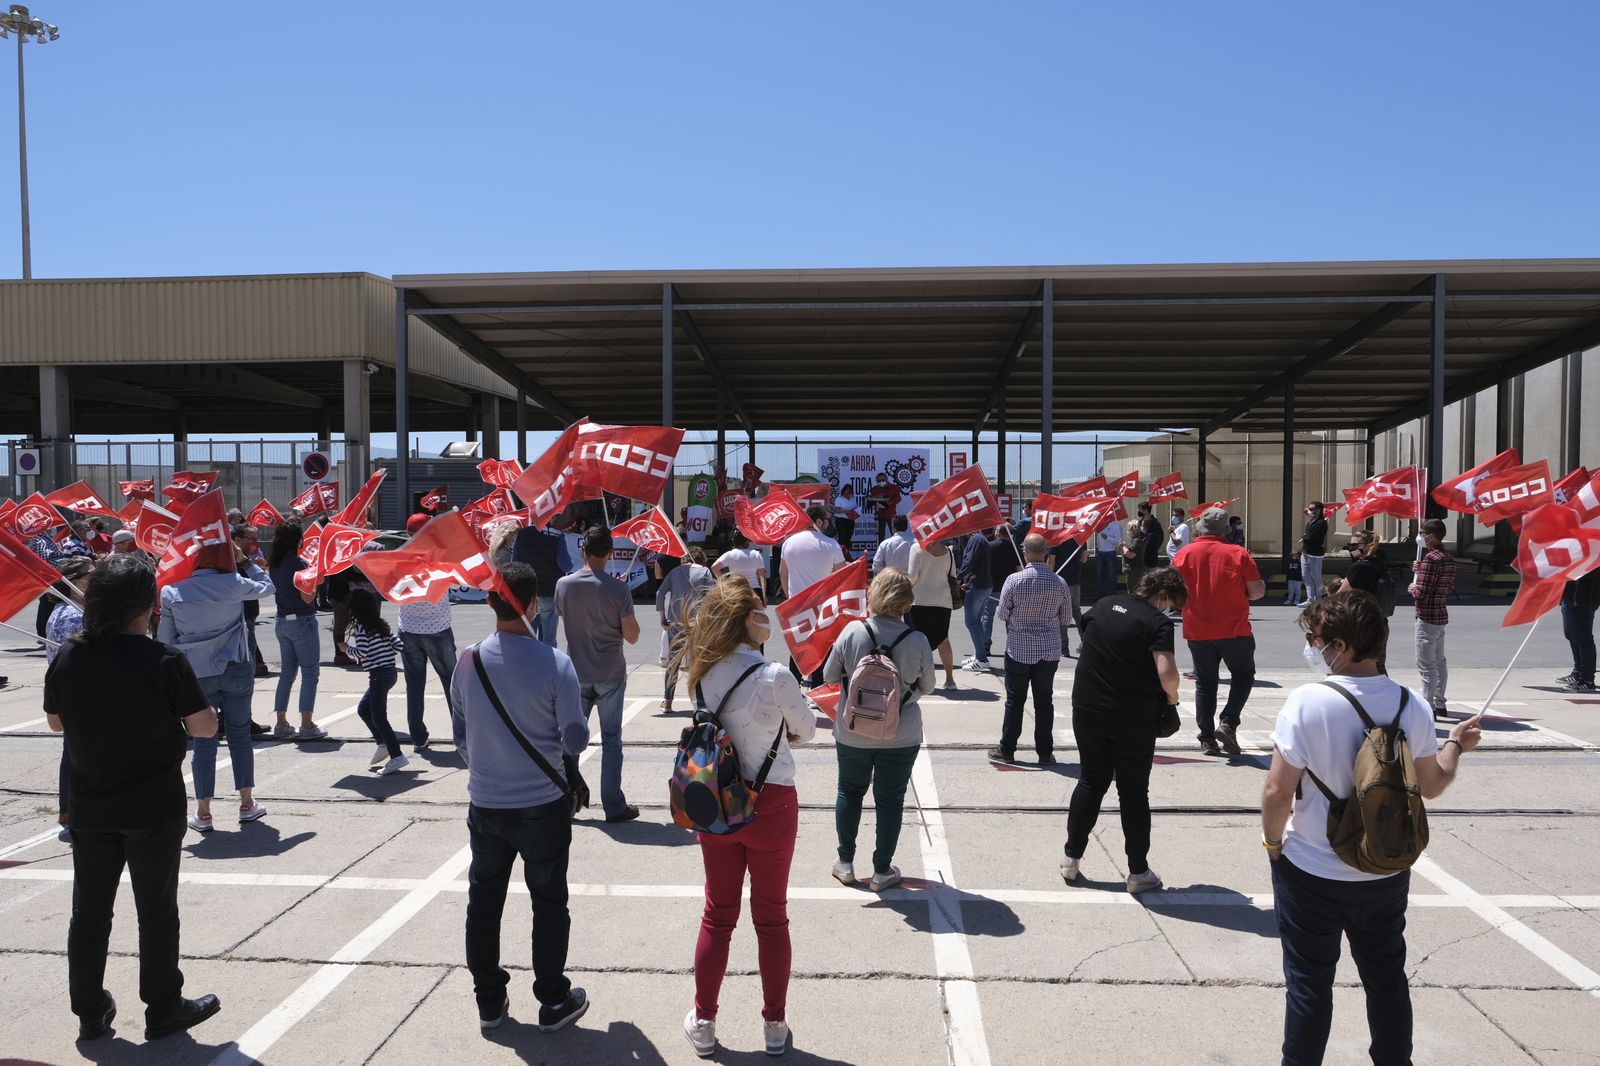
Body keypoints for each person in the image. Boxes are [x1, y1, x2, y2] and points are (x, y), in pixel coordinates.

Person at [1261, 592, 1482, 1066]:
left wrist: (1273, 844)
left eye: (1315, 639)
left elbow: (1278, 793)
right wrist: (1456, 746)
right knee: (1386, 979)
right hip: (1383, 870)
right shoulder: (1411, 705)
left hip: (1311, 869)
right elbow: (1432, 785)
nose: (1312, 647)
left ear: (1339, 645)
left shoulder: (1307, 703)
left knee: (1309, 983)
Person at [46, 553, 223, 1042]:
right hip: (152, 804)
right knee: (156, 910)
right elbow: (204, 727)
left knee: (90, 911)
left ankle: (89, 1008)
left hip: (90, 802)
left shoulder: (68, 655)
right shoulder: (163, 660)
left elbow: (55, 721)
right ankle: (163, 1005)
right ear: (147, 606)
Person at [451, 563, 591, 1034]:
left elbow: (461, 737)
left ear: (490, 602)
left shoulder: (467, 660)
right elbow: (573, 740)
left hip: (486, 803)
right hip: (542, 804)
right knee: (549, 901)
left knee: (483, 901)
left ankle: (489, 1002)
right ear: (534, 606)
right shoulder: (556, 663)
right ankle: (553, 1000)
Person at [681, 577, 817, 1058]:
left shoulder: (702, 672)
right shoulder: (774, 675)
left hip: (717, 800)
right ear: (744, 620)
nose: (768, 618)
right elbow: (808, 729)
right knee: (772, 918)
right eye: (761, 612)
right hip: (773, 802)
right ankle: (774, 1024)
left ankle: (704, 1020)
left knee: (718, 916)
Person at [1062, 568, 1187, 893]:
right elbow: (1167, 673)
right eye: (1171, 604)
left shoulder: (1103, 605)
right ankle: (1137, 872)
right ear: (1161, 594)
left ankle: (1071, 858)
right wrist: (1172, 699)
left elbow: (1088, 634)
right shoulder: (1156, 623)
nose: (1169, 611)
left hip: (1087, 707)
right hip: (1132, 715)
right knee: (1132, 792)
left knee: (1091, 779)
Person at [821, 569, 935, 892]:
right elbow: (928, 685)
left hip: (853, 730)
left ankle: (845, 863)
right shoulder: (917, 640)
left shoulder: (853, 632)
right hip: (901, 734)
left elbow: (830, 676)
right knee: (890, 801)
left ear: (873, 594)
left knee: (849, 791)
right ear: (906, 601)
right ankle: (882, 870)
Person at [158, 535, 276, 832]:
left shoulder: (172, 592)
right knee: (239, 736)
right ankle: (247, 803)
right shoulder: (234, 582)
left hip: (197, 674)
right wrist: (244, 560)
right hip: (236, 667)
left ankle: (204, 811)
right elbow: (269, 587)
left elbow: (165, 641)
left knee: (203, 741)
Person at [555, 525, 641, 823]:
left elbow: (567, 616)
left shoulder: (563, 585)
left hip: (576, 672)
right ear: (611, 552)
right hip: (610, 673)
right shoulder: (619, 590)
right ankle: (613, 806)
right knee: (612, 740)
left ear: (583, 550)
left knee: (570, 740)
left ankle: (566, 799)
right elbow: (632, 636)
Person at [1172, 507, 1266, 757]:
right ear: (1226, 529)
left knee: (1205, 683)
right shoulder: (1238, 553)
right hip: (1234, 629)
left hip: (1197, 629)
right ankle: (1228, 722)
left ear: (1200, 527)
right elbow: (1256, 592)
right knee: (1243, 676)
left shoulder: (1183, 555)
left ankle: (1206, 738)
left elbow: (1173, 595)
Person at [988, 533, 1074, 766]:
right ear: (1046, 553)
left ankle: (1007, 749)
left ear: (1025, 552)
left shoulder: (1014, 581)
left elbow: (1002, 614)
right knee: (1044, 701)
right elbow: (1066, 618)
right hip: (1049, 650)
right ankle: (1045, 752)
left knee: (1015, 700)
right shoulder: (1059, 582)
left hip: (1019, 649)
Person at [266, 520, 330, 741]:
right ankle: (306, 724)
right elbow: (306, 598)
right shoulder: (299, 564)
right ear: (298, 540)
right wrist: (316, 582)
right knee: (310, 673)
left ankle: (281, 722)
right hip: (302, 620)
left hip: (282, 620)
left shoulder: (274, 563)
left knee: (287, 674)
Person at [45, 557, 94, 842]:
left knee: (73, 755)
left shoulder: (69, 609)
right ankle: (75, 813)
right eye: (91, 575)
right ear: (75, 583)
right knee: (81, 758)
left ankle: (69, 811)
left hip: (71, 694)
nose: (97, 577)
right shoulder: (75, 614)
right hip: (80, 694)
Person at [345, 588, 409, 776]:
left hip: (379, 675)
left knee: (379, 717)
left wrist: (347, 649)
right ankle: (383, 743)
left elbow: (362, 651)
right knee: (364, 709)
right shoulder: (380, 624)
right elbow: (398, 645)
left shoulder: (362, 628)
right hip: (388, 673)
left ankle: (396, 755)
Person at [780, 506, 846, 684]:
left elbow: (783, 573)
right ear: (817, 521)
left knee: (798, 647)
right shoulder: (831, 545)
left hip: (797, 602)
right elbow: (841, 575)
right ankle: (817, 688)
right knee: (822, 647)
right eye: (826, 521)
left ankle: (793, 685)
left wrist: (789, 597)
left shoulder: (789, 542)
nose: (828, 524)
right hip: (823, 604)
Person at [398, 573, 457, 753]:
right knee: (452, 682)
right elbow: (456, 585)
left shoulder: (402, 567)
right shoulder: (440, 567)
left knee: (414, 686)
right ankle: (462, 733)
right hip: (438, 629)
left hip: (408, 629)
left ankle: (418, 737)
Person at [656, 546, 714, 711]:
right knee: (699, 663)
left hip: (675, 622)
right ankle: (701, 702)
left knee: (673, 662)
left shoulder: (674, 572)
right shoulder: (705, 572)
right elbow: (711, 595)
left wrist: (662, 617)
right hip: (697, 622)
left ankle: (668, 701)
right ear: (702, 559)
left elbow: (661, 593)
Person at [1409, 517, 1456, 719]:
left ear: (1431, 535)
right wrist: (1420, 572)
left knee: (1426, 665)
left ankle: (1427, 706)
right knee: (1439, 662)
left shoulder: (1431, 559)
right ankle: (1439, 703)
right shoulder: (1446, 557)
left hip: (1427, 615)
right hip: (1440, 614)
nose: (1420, 536)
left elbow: (1421, 592)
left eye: (1422, 533)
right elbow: (1448, 586)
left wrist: (1413, 586)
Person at [511, 515, 574, 646]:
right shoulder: (557, 536)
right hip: (548, 592)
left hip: (527, 593)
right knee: (549, 640)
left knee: (528, 638)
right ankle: (548, 665)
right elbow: (566, 565)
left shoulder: (522, 534)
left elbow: (514, 562)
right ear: (550, 518)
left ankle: (529, 665)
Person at [907, 537, 958, 690]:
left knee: (918, 642)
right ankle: (950, 680)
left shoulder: (916, 549)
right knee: (943, 640)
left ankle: (919, 679)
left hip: (919, 601)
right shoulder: (949, 551)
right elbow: (953, 576)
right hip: (943, 601)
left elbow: (912, 577)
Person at [233, 523, 271, 684]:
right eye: (252, 539)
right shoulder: (231, 562)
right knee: (245, 660)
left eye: (257, 539)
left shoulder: (250, 559)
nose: (256, 543)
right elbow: (267, 587)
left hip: (249, 615)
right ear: (238, 540)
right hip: (239, 616)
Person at [957, 526, 995, 672]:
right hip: (983, 585)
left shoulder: (975, 539)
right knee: (977, 622)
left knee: (971, 622)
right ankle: (980, 655)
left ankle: (981, 658)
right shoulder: (980, 539)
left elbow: (969, 561)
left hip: (977, 586)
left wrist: (958, 578)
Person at [1559, 569, 1600, 693]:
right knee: (1571, 634)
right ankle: (1578, 671)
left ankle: (1587, 679)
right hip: (1571, 593)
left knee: (1582, 638)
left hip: (1584, 597)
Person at [713, 531, 766, 601]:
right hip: (755, 591)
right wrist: (764, 597)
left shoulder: (730, 554)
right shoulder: (756, 554)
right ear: (746, 542)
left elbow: (714, 567)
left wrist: (726, 583)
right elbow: (762, 577)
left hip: (736, 591)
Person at [1299, 501, 1328, 604]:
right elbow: (1308, 534)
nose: (1309, 511)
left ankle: (1319, 599)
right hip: (1306, 552)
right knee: (1305, 576)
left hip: (1315, 554)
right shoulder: (1311, 521)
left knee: (1316, 577)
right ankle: (1310, 599)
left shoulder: (1321, 523)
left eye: (1311, 509)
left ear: (1318, 510)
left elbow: (1313, 537)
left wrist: (1304, 537)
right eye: (1309, 508)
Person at [1094, 513, 1123, 599]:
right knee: (1100, 575)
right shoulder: (1099, 523)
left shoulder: (1115, 525)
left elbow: (1119, 541)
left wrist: (1107, 538)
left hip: (1110, 552)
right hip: (1100, 552)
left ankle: (1113, 595)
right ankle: (1101, 595)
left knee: (1111, 575)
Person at [868, 471, 902, 542]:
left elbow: (898, 498)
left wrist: (890, 502)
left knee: (894, 533)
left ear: (886, 479)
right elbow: (872, 500)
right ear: (876, 481)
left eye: (883, 480)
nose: (881, 481)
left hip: (891, 514)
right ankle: (881, 549)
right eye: (879, 480)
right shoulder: (874, 489)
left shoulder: (893, 487)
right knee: (880, 534)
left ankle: (896, 547)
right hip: (880, 515)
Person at [832, 484, 861, 561]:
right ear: (843, 492)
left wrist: (856, 513)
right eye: (846, 492)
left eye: (849, 492)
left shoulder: (853, 499)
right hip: (841, 520)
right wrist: (847, 511)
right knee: (842, 537)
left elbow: (855, 508)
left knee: (848, 538)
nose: (848, 494)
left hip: (850, 520)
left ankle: (846, 556)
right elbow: (837, 510)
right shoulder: (839, 499)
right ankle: (839, 557)